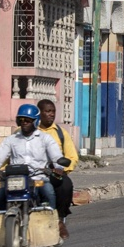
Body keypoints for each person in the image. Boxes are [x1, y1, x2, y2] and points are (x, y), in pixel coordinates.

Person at [0, 104, 63, 212]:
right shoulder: (11, 140)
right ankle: (0, 220)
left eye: (28, 120)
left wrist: (59, 167)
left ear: (36, 121)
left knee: (49, 193)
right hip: (14, 178)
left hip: (37, 177)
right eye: (21, 120)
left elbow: (57, 156)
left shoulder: (46, 139)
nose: (24, 122)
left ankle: (53, 222)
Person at [36, 99, 79, 239]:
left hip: (52, 172)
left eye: (53, 111)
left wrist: (63, 170)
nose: (51, 114)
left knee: (65, 185)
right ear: (39, 113)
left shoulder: (60, 133)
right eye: (47, 111)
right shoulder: (26, 131)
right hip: (30, 173)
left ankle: (59, 218)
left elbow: (72, 156)